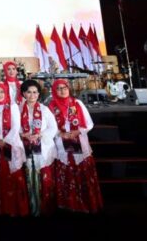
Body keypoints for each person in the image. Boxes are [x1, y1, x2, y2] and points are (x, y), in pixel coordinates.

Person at [49, 79, 103, 213]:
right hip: (62, 145)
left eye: (65, 87)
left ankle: (86, 204)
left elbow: (89, 124)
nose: (62, 90)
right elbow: (49, 127)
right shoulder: (51, 106)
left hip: (80, 143)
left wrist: (78, 131)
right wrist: (61, 134)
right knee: (66, 174)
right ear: (54, 91)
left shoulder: (77, 103)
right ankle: (69, 205)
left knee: (83, 174)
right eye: (59, 88)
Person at [0, 83, 29, 216]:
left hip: (12, 145)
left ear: (6, 93)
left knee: (14, 175)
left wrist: (4, 141)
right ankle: (4, 208)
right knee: (1, 176)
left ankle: (18, 208)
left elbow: (16, 127)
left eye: (2, 92)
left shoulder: (13, 107)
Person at [19, 80, 58, 216]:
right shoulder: (18, 109)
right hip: (25, 148)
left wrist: (40, 134)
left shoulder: (44, 109)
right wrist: (23, 134)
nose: (32, 95)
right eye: (29, 92)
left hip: (42, 148)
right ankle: (31, 208)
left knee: (44, 179)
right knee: (28, 178)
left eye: (35, 92)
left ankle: (44, 209)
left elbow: (53, 127)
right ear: (24, 93)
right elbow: (13, 127)